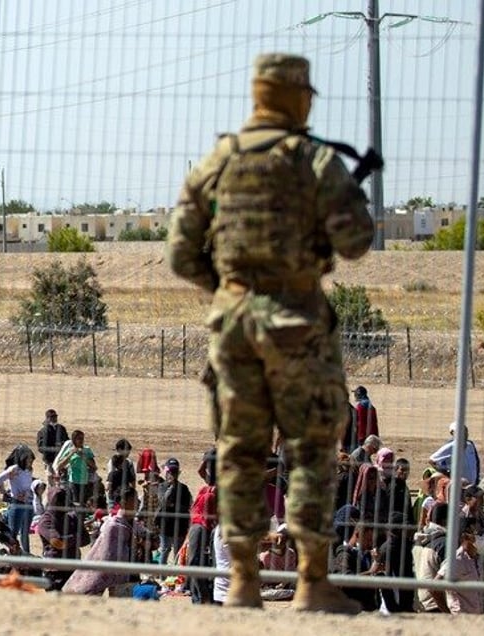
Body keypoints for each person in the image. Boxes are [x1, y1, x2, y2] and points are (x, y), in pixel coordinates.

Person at [167, 52, 374, 611]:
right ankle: (310, 582)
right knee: (309, 449)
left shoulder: (219, 160)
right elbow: (356, 239)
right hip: (297, 324)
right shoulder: (312, 159)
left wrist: (229, 291)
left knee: (239, 450)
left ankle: (241, 580)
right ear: (297, 97)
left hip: (232, 328)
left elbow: (181, 253)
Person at [62, 487, 143, 595]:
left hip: (132, 572)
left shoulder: (133, 524)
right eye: (134, 499)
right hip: (116, 573)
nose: (137, 503)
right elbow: (105, 553)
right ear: (123, 502)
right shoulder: (113, 525)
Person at [36, 485, 90, 589]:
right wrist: (75, 537)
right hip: (55, 570)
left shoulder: (72, 517)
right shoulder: (46, 520)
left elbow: (86, 539)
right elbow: (58, 543)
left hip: (73, 567)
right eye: (61, 500)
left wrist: (69, 539)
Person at [187, 448, 219, 604]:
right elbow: (200, 471)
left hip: (204, 527)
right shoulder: (210, 485)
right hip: (196, 525)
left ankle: (204, 595)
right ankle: (199, 595)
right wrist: (208, 457)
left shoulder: (220, 488)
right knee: (194, 562)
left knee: (195, 562)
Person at [434, 523, 483, 614]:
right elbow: (433, 587)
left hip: (476, 617)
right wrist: (447, 613)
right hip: (460, 617)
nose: (480, 537)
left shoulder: (478, 558)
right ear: (464, 537)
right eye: (475, 533)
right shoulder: (456, 560)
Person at [0, 445, 36, 554]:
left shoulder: (29, 469)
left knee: (25, 532)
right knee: (13, 533)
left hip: (28, 503)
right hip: (17, 504)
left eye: (31, 459)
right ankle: (12, 555)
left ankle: (26, 554)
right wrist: (3, 491)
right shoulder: (15, 469)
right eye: (28, 459)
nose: (31, 461)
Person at [155, 457, 192, 565]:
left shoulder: (184, 488)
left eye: (175, 472)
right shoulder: (162, 487)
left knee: (178, 553)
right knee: (165, 550)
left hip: (180, 526)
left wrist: (173, 505)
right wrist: (171, 488)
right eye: (170, 471)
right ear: (166, 472)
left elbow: (187, 506)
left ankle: (176, 577)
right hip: (165, 526)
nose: (173, 474)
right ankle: (162, 577)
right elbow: (164, 502)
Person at [54, 429, 96, 510]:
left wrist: (83, 456)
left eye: (82, 438)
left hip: (85, 481)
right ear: (74, 440)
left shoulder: (87, 450)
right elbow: (59, 466)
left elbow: (94, 466)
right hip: (73, 481)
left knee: (84, 503)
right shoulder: (70, 451)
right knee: (75, 503)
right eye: (79, 438)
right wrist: (71, 454)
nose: (81, 441)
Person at [429, 421, 481, 486]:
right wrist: (446, 473)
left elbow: (476, 463)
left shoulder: (470, 445)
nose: (464, 433)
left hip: (472, 485)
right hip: (459, 486)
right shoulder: (451, 446)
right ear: (452, 433)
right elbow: (432, 460)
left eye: (465, 431)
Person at [36, 408, 68, 486]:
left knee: (62, 482)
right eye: (52, 417)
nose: (54, 419)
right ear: (47, 418)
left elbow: (67, 441)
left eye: (55, 416)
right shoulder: (43, 431)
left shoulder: (61, 428)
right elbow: (41, 448)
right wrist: (56, 449)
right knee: (51, 483)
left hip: (61, 460)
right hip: (50, 460)